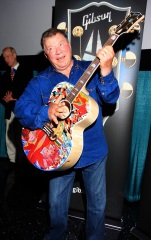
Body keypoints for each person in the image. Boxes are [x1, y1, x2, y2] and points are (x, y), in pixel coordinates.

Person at [14, 28, 120, 240]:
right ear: (46, 55)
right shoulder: (40, 81)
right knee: (55, 205)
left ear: (70, 45)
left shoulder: (91, 67)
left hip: (93, 150)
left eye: (61, 44)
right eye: (51, 48)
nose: (58, 51)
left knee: (97, 205)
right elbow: (21, 109)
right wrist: (47, 111)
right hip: (58, 151)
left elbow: (110, 98)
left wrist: (106, 69)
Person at [0, 47, 33, 202]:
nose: (6, 59)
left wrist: (15, 98)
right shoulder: (6, 74)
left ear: (14, 55)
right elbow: (2, 92)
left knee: (22, 139)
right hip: (9, 110)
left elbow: (28, 90)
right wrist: (5, 99)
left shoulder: (26, 70)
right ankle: (13, 163)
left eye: (8, 56)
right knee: (9, 138)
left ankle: (23, 165)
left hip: (22, 109)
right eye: (4, 57)